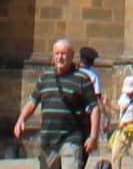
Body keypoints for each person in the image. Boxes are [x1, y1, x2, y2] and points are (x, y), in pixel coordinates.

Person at [18, 39, 101, 169]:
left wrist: (93, 136)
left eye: (64, 54)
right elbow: (32, 102)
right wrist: (21, 120)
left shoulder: (82, 79)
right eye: (57, 53)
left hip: (72, 139)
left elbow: (95, 108)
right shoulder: (45, 78)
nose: (60, 57)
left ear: (71, 56)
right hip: (48, 141)